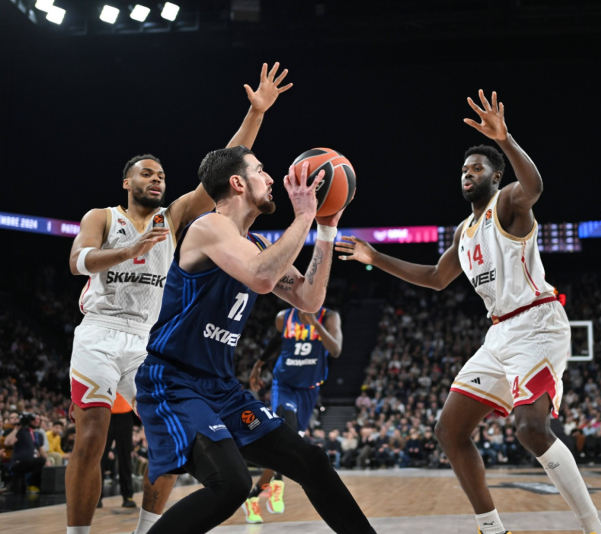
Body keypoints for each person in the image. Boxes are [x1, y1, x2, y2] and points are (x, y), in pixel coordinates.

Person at [336, 90, 601, 534]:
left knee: (530, 429)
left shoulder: (508, 204)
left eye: (477, 168)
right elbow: (435, 278)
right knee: (449, 430)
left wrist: (505, 140)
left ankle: (595, 529)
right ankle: (492, 528)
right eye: (464, 169)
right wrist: (375, 257)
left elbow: (534, 187)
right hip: (499, 333)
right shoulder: (463, 231)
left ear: (496, 176)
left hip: (537, 323)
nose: (467, 174)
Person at [65, 62, 292, 534]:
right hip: (101, 332)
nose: (157, 179)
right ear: (126, 183)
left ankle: (148, 530)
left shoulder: (173, 218)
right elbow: (77, 261)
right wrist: (127, 250)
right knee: (90, 438)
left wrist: (256, 113)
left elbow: (227, 167)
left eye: (162, 175)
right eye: (146, 174)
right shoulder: (103, 217)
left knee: (169, 443)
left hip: (148, 340)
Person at [134, 146, 375, 534]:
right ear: (237, 183)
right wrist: (304, 216)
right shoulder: (208, 227)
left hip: (221, 387)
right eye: (260, 171)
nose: (270, 178)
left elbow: (309, 300)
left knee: (311, 461)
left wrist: (326, 228)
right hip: (173, 382)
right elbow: (261, 278)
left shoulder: (258, 244)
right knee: (230, 484)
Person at [243, 304, 343, 521]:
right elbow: (276, 341)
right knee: (285, 433)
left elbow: (335, 350)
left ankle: (253, 496)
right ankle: (277, 485)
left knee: (288, 448)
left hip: (309, 390)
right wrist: (258, 365)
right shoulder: (284, 317)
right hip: (285, 386)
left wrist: (315, 324)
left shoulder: (329, 317)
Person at [97, 395, 136, 509]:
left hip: (125, 412)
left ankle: (128, 496)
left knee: (125, 457)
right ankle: (96, 496)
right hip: (105, 411)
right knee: (100, 457)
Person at [4, 413, 51, 493]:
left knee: (43, 461)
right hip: (18, 463)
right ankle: (32, 484)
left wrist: (48, 460)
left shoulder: (39, 434)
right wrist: (16, 429)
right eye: (34, 419)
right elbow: (7, 443)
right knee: (41, 461)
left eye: (38, 419)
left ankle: (36, 485)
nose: (36, 421)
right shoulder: (22, 431)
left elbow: (41, 450)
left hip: (30, 462)